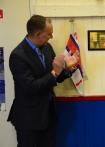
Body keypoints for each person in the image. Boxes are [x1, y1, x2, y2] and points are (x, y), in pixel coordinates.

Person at [7, 15, 79, 147]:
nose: (51, 37)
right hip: (28, 121)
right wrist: (55, 72)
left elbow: (54, 78)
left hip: (48, 116)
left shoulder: (47, 48)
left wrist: (68, 69)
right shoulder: (17, 56)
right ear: (38, 34)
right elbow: (31, 87)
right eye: (49, 34)